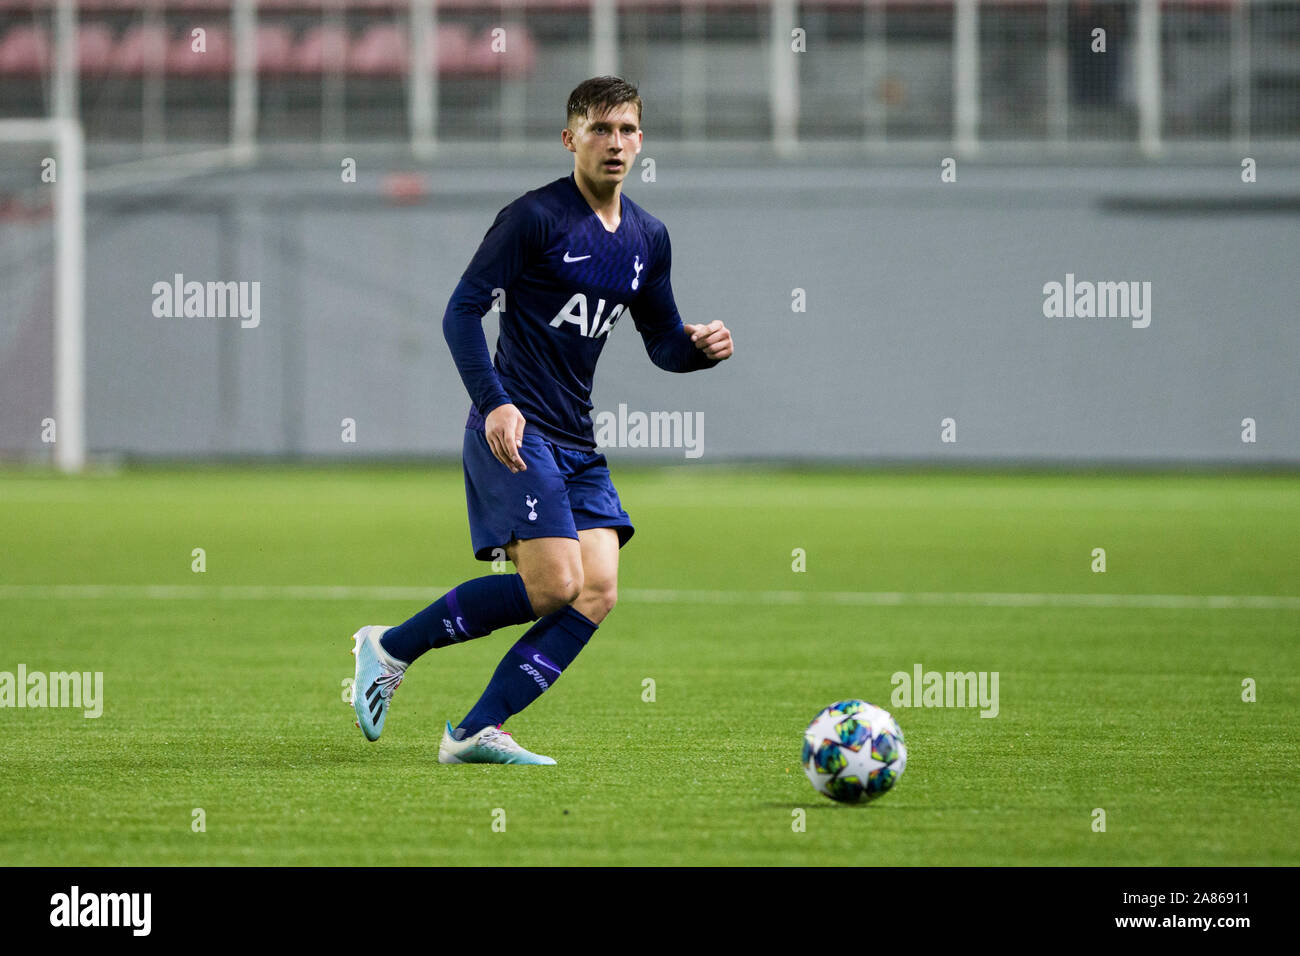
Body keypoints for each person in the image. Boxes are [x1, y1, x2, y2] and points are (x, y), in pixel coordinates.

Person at [350, 75, 734, 764]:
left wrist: (699, 350)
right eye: (598, 130)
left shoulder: (649, 237)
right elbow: (461, 311)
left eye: (626, 130)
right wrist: (495, 400)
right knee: (555, 585)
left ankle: (472, 732)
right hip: (518, 432)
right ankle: (391, 647)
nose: (614, 143)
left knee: (597, 592)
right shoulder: (534, 218)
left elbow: (663, 343)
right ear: (570, 139)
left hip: (577, 440)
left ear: (641, 139)